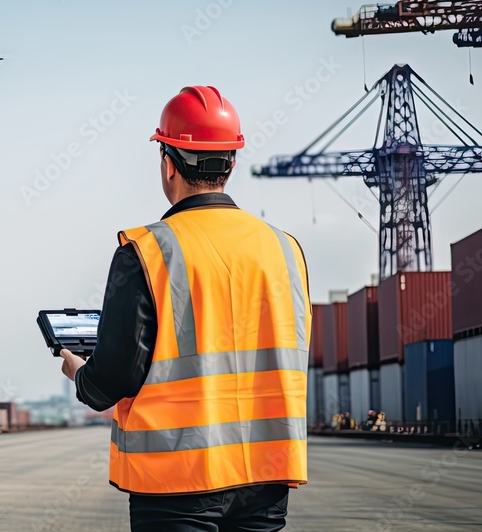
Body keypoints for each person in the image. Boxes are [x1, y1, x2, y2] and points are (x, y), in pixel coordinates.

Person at [60, 86, 311, 532]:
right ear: (231, 163)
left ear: (168, 163)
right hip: (264, 474)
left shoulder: (147, 250)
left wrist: (81, 375)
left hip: (176, 479)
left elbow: (116, 376)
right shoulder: (285, 249)